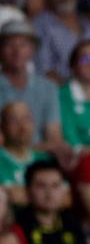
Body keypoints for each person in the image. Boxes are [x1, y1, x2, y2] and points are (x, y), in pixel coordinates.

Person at [0, 20, 65, 153]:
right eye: (9, 45)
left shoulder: (48, 87)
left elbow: (53, 136)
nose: (17, 51)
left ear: (32, 50)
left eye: (23, 45)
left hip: (39, 160)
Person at [0, 102, 48, 204]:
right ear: (2, 126)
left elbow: (67, 197)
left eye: (27, 119)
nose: (22, 126)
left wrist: (16, 192)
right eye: (13, 120)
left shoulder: (45, 159)